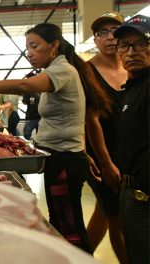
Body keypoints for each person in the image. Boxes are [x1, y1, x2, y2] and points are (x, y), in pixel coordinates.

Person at [0, 23, 110, 253]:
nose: (29, 53)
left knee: (69, 228)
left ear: (54, 46)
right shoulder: (58, 70)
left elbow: (25, 85)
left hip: (64, 160)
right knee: (62, 222)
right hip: (62, 157)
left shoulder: (62, 70)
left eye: (35, 46)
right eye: (27, 48)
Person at [84, 12, 128, 264]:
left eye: (115, 31)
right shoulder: (88, 71)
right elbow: (90, 119)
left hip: (133, 153)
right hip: (103, 155)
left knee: (105, 210)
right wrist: (105, 162)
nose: (110, 37)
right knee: (117, 215)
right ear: (95, 39)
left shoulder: (135, 65)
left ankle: (80, 256)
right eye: (103, 33)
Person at [113, 14, 149, 264]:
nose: (131, 51)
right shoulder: (133, 86)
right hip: (131, 193)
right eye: (124, 45)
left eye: (141, 43)